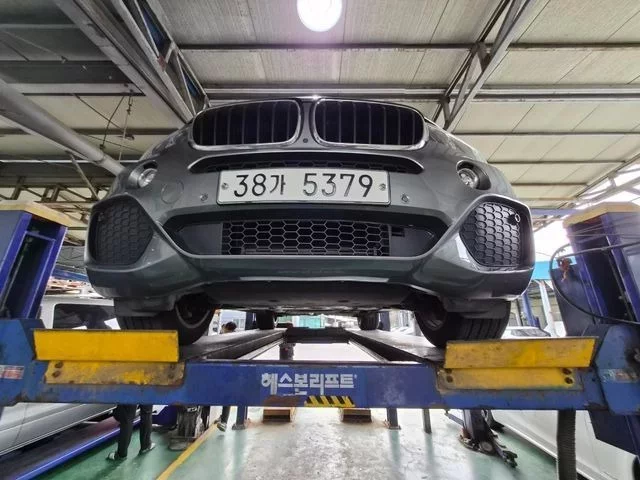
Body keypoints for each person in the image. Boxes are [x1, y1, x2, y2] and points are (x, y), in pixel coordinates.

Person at [213, 321, 237, 432]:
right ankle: (223, 419)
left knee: (225, 396)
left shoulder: (223, 338)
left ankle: (223, 421)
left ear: (226, 328)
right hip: (230, 371)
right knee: (226, 396)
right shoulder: (236, 337)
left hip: (223, 370)